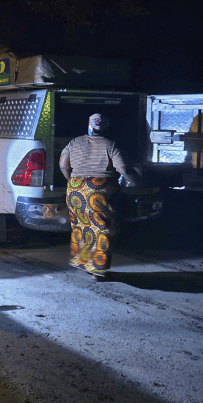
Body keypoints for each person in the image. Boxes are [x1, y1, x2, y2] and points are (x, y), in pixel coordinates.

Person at [59, 113, 142, 281]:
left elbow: (63, 165)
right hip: (99, 191)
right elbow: (124, 169)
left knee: (82, 227)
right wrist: (138, 182)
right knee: (103, 229)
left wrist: (73, 181)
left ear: (89, 126)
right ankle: (98, 270)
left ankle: (83, 263)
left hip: (75, 189)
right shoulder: (111, 145)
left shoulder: (74, 142)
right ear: (107, 128)